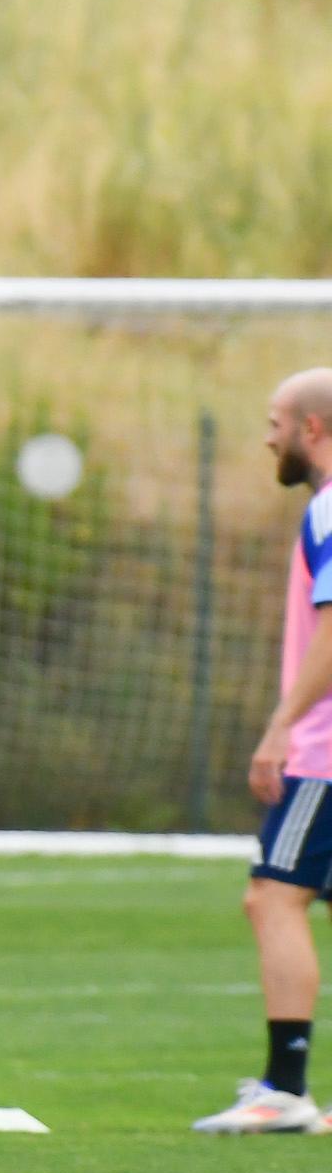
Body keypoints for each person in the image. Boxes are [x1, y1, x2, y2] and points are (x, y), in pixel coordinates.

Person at [196, 367, 332, 1134]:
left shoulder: (331, 509)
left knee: (272, 896)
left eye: (276, 421)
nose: (268, 437)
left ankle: (284, 1089)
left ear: (313, 428)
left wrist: (282, 725)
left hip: (325, 752)